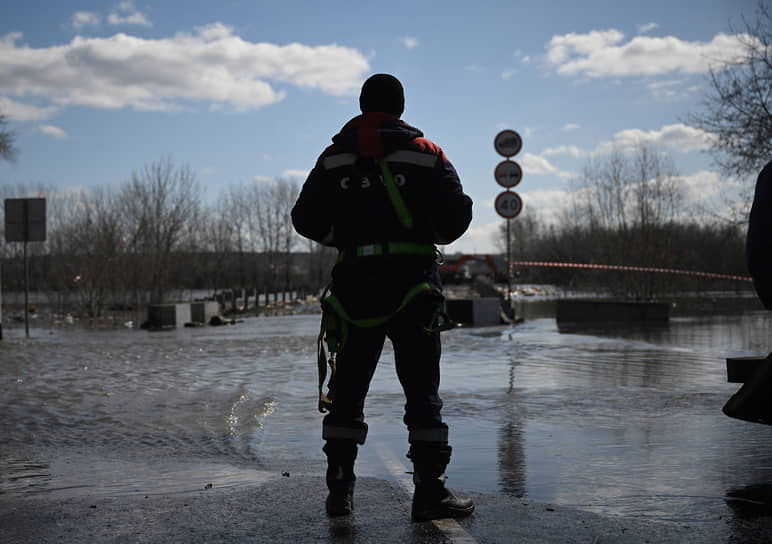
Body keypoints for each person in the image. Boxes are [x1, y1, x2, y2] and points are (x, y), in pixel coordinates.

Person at [291, 74, 474, 521]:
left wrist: (346, 239)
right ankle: (429, 494)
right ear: (402, 107)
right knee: (421, 390)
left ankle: (340, 493)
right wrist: (421, 232)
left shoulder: (333, 158)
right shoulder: (428, 154)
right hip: (415, 288)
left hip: (355, 287)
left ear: (361, 104)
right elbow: (456, 218)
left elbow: (304, 217)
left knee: (347, 389)